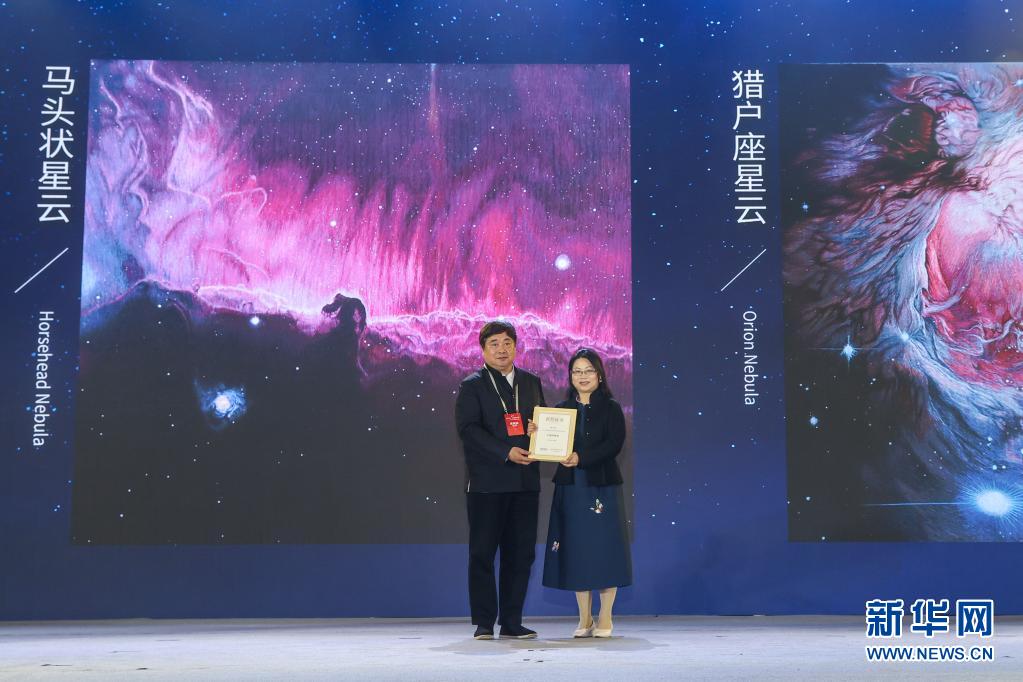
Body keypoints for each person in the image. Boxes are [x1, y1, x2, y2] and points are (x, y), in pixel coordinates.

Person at [455, 321, 546, 640]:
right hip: (487, 484)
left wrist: (539, 431)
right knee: (482, 553)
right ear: (483, 349)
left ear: (516, 347)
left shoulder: (531, 382)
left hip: (525, 483)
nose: (501, 349)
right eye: (494, 343)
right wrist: (506, 452)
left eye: (507, 342)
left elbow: (542, 421)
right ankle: (483, 622)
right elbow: (468, 430)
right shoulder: (472, 385)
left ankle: (511, 621)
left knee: (520, 555)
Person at [536, 348, 631, 638]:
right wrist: (537, 434)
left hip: (601, 486)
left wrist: (581, 458)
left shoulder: (611, 408)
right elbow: (549, 444)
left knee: (604, 549)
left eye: (588, 370)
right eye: (577, 371)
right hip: (571, 488)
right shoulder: (560, 410)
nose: (583, 376)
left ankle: (605, 617)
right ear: (570, 376)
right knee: (575, 549)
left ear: (599, 375)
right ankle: (584, 619)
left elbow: (614, 444)